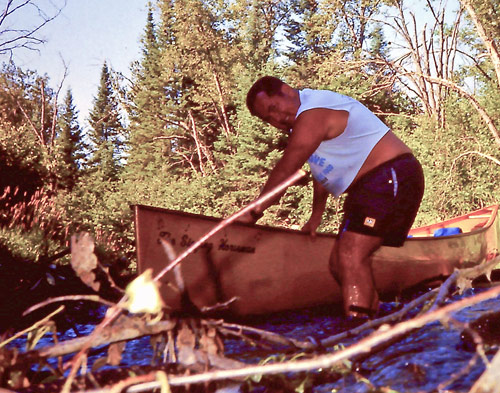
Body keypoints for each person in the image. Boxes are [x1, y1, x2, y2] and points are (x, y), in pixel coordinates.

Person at [238, 76, 425, 319]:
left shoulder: (312, 112)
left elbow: (286, 169)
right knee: (340, 264)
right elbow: (322, 169)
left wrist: (252, 213)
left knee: (350, 256)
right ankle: (375, 322)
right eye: (268, 119)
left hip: (390, 176)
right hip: (370, 187)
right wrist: (316, 215)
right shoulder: (304, 120)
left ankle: (357, 334)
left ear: (286, 90)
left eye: (273, 108)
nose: (276, 119)